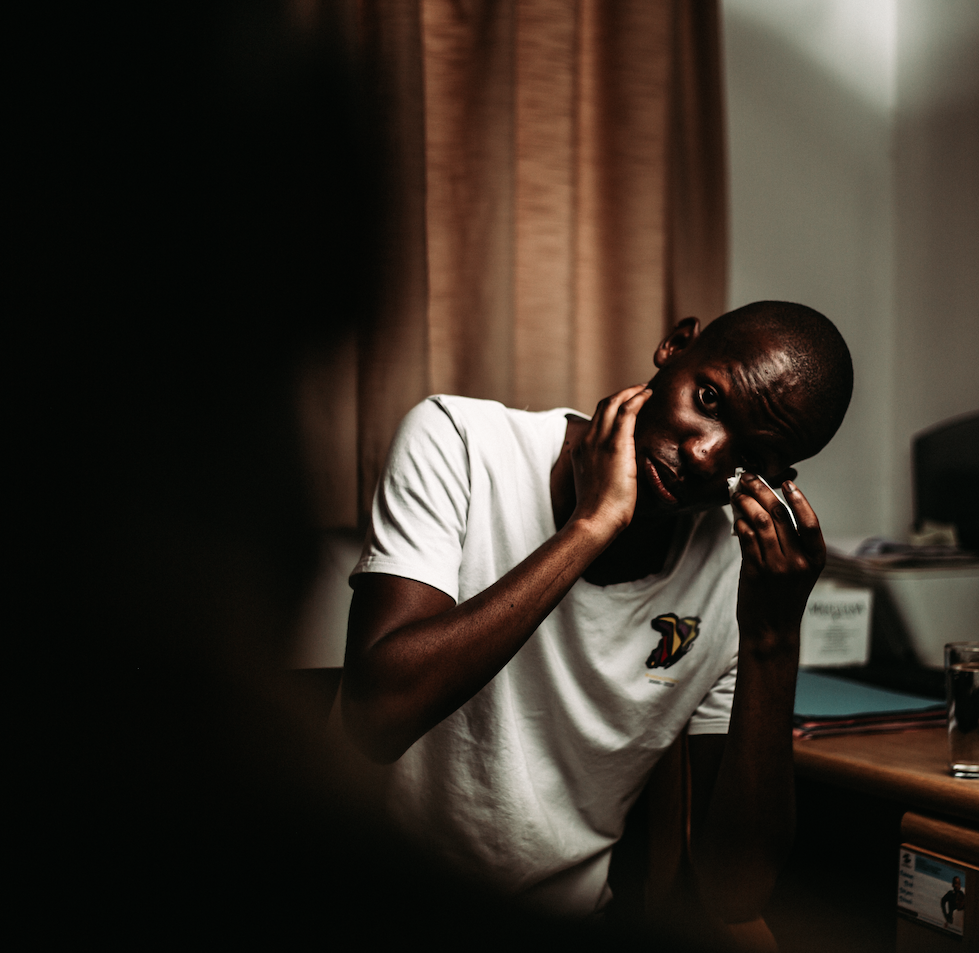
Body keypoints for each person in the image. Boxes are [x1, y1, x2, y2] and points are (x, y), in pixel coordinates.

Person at [340, 301, 854, 924]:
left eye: (750, 458)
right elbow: (375, 719)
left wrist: (774, 639)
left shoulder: (732, 579)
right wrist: (592, 526)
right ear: (674, 346)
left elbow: (734, 893)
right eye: (711, 401)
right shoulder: (461, 442)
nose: (704, 456)